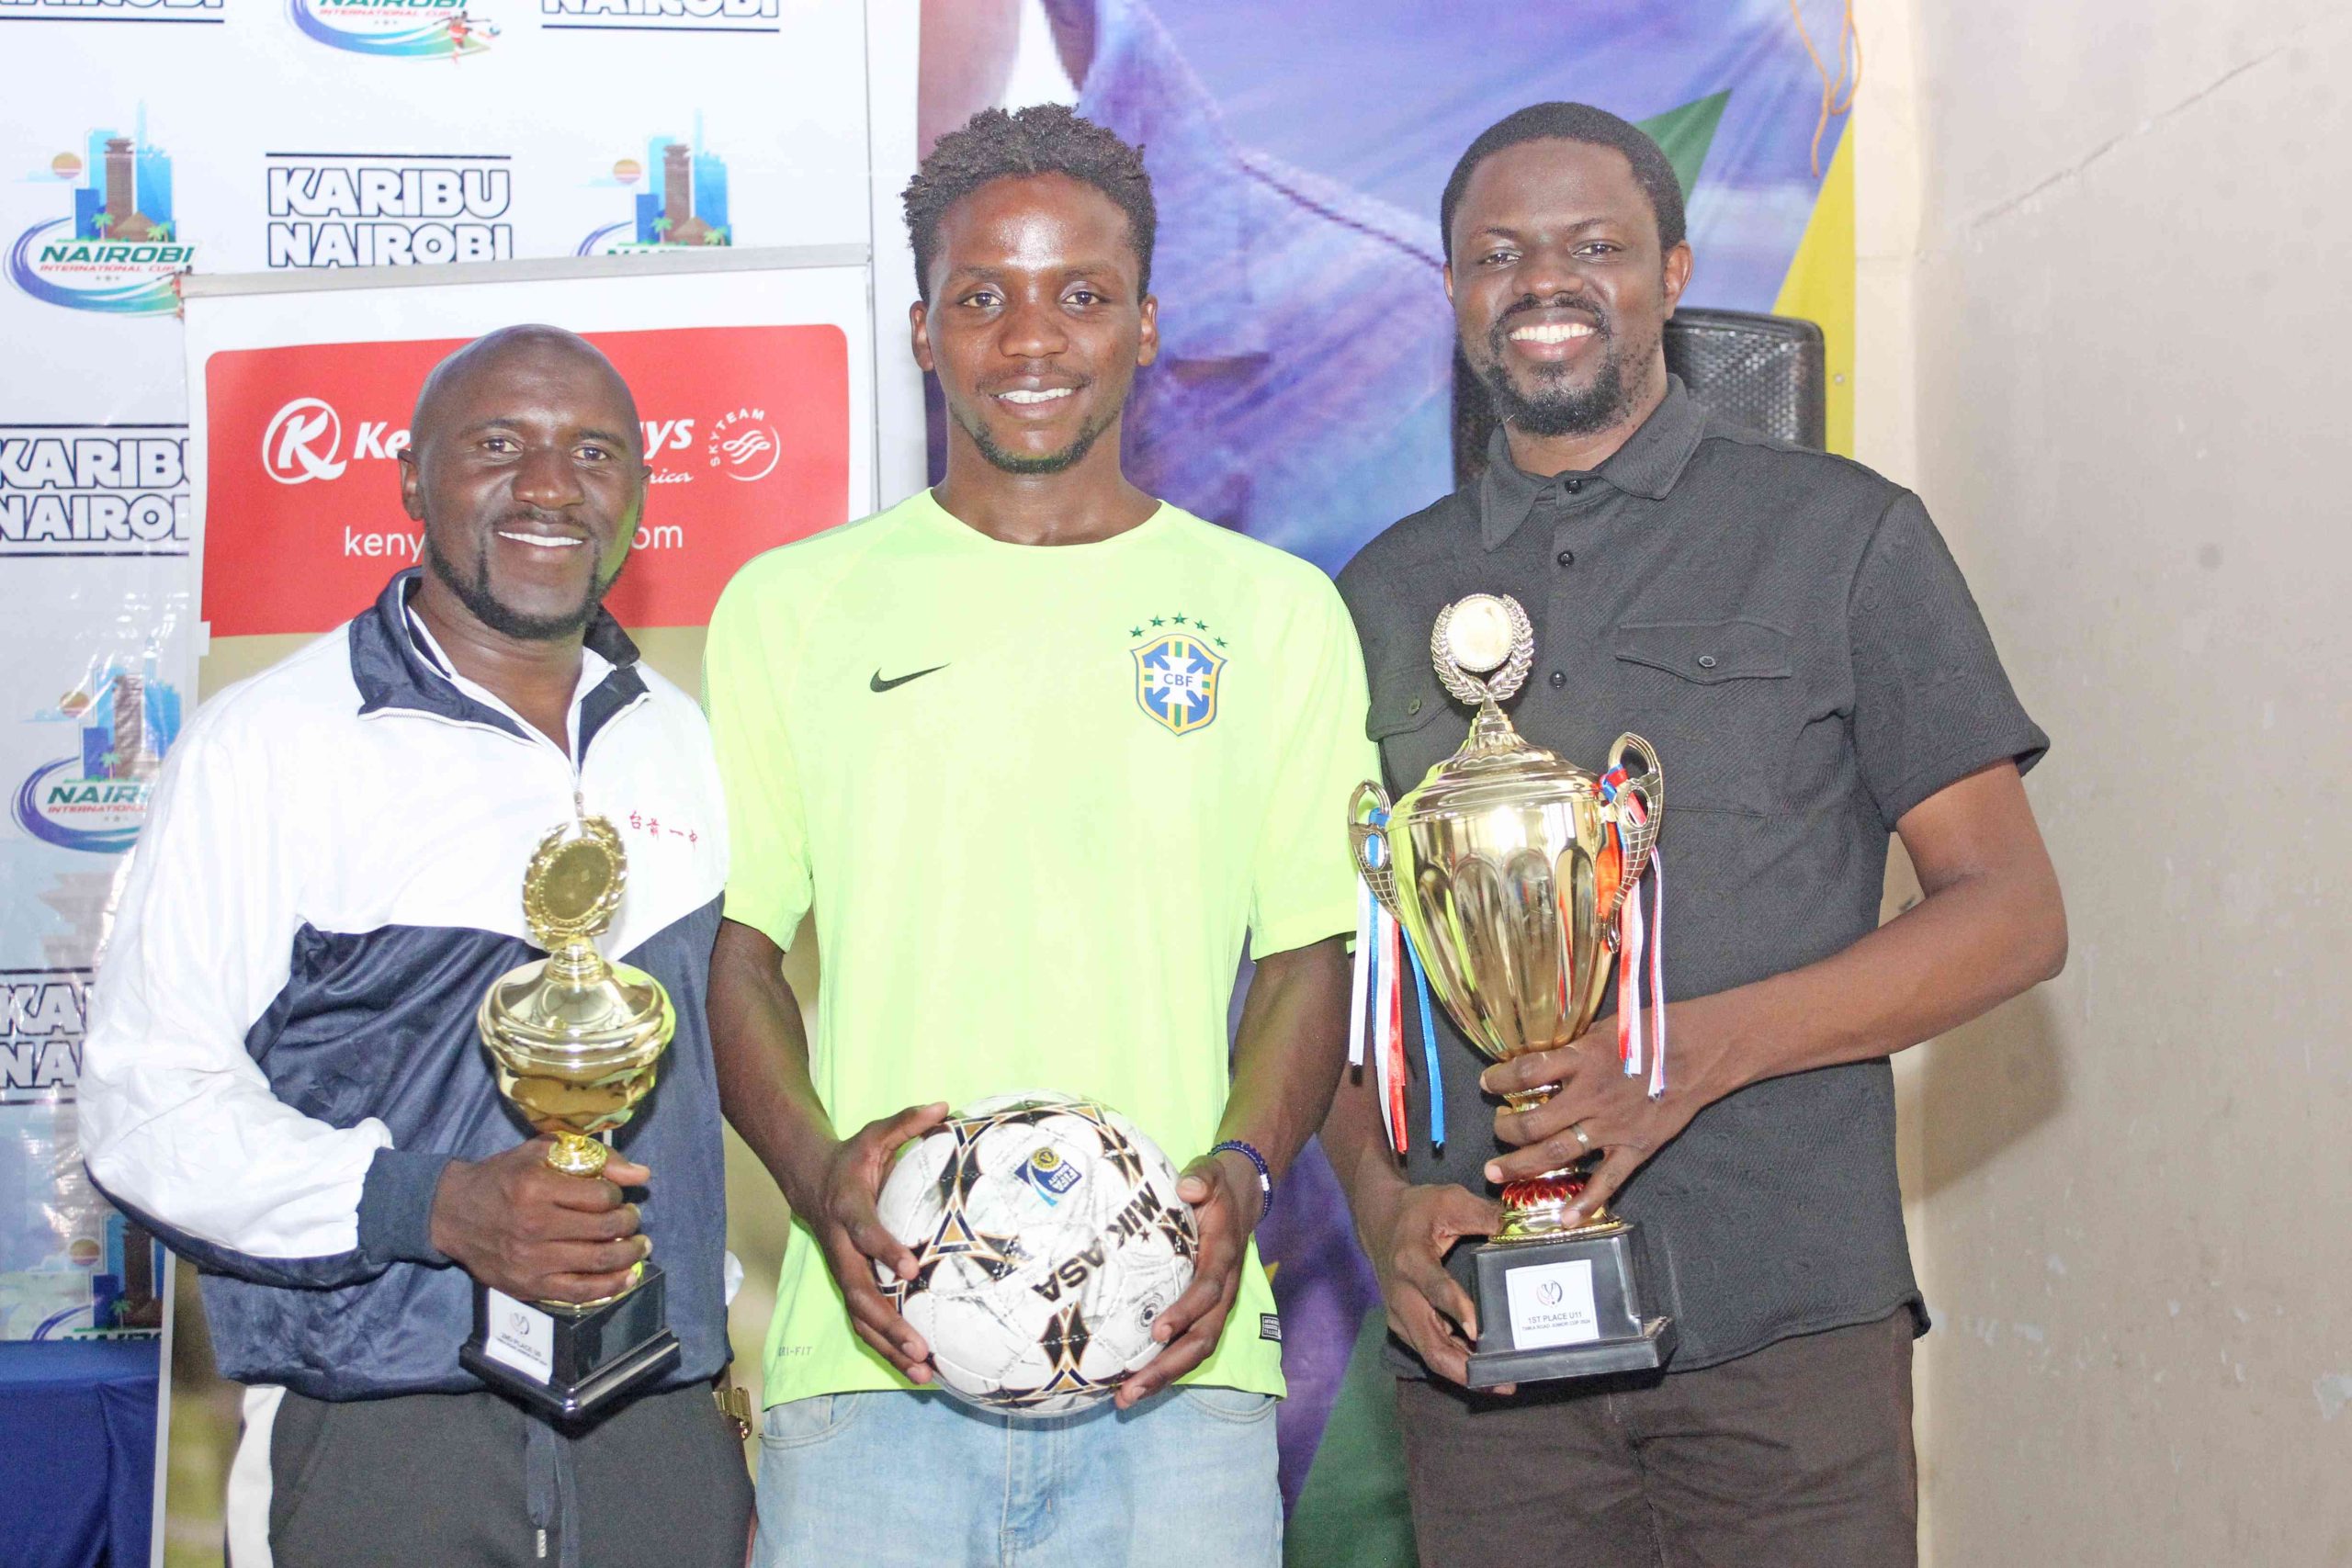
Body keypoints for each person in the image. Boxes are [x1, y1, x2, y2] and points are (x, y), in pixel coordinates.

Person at [1327, 103, 2068, 1567]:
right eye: (1498, 253)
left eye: (1595, 245)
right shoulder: (1378, 596)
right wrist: (1374, 1202)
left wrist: (1684, 1058)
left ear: (1672, 273)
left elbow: (2011, 913)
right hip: (1487, 1360)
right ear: (1459, 297)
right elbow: (1342, 970)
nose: (1546, 280)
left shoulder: (1845, 537)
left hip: (1783, 1340)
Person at [703, 104, 1373, 1567]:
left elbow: (1309, 959)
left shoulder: (1274, 616)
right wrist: (825, 1180)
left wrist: (1243, 1183)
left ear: (1146, 325)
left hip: (1172, 1377)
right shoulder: (790, 609)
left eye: (1080, 294)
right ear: (924, 333)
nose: (1032, 338)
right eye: (982, 296)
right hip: (871, 1365)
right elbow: (737, 959)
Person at [79, 326, 751, 1568]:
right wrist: (427, 1205)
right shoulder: (274, 744)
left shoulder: (682, 740)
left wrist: (705, 1412)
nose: (550, 484)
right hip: (389, 1437)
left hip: (656, 1431)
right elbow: (141, 1105)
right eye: (498, 445)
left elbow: (698, 1096)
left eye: (593, 451)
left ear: (640, 497)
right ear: (409, 478)